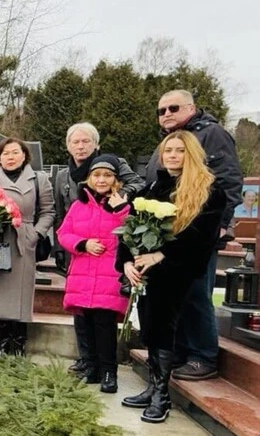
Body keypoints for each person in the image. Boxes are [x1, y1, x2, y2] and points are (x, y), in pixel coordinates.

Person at [118, 130, 225, 423]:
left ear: (191, 153)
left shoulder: (209, 190)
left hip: (178, 272)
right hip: (146, 273)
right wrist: (126, 262)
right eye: (168, 151)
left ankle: (162, 396)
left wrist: (162, 256)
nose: (173, 156)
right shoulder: (154, 187)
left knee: (164, 327)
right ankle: (152, 386)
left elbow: (200, 237)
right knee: (150, 327)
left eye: (179, 150)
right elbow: (130, 228)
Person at [146, 90, 242, 380]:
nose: (166, 114)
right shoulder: (174, 137)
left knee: (197, 292)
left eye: (172, 108)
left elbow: (228, 180)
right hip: (169, 229)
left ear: (191, 107)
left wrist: (220, 225)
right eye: (161, 110)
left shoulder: (211, 133)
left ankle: (203, 355)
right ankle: (182, 350)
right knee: (176, 294)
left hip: (198, 228)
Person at [53, 122, 144, 375]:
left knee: (101, 317)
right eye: (75, 142)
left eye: (86, 142)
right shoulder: (62, 175)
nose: (80, 146)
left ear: (96, 144)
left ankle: (104, 367)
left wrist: (117, 199)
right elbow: (61, 214)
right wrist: (62, 248)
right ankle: (86, 360)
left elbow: (137, 184)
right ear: (68, 146)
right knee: (80, 312)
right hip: (79, 249)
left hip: (107, 251)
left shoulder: (113, 164)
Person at [57, 154, 130, 393]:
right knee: (83, 323)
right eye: (96, 175)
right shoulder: (80, 205)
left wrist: (121, 210)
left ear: (115, 180)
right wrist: (82, 243)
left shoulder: (123, 205)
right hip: (82, 273)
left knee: (104, 324)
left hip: (108, 274)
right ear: (89, 178)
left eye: (107, 175)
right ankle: (90, 367)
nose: (101, 180)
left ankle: (109, 371)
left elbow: (130, 232)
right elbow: (64, 233)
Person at [0, 138, 55, 355]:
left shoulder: (38, 180)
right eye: (6, 153)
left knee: (21, 293)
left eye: (15, 152)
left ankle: (20, 342)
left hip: (24, 239)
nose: (11, 157)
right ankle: (3, 343)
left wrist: (35, 233)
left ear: (24, 156)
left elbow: (48, 211)